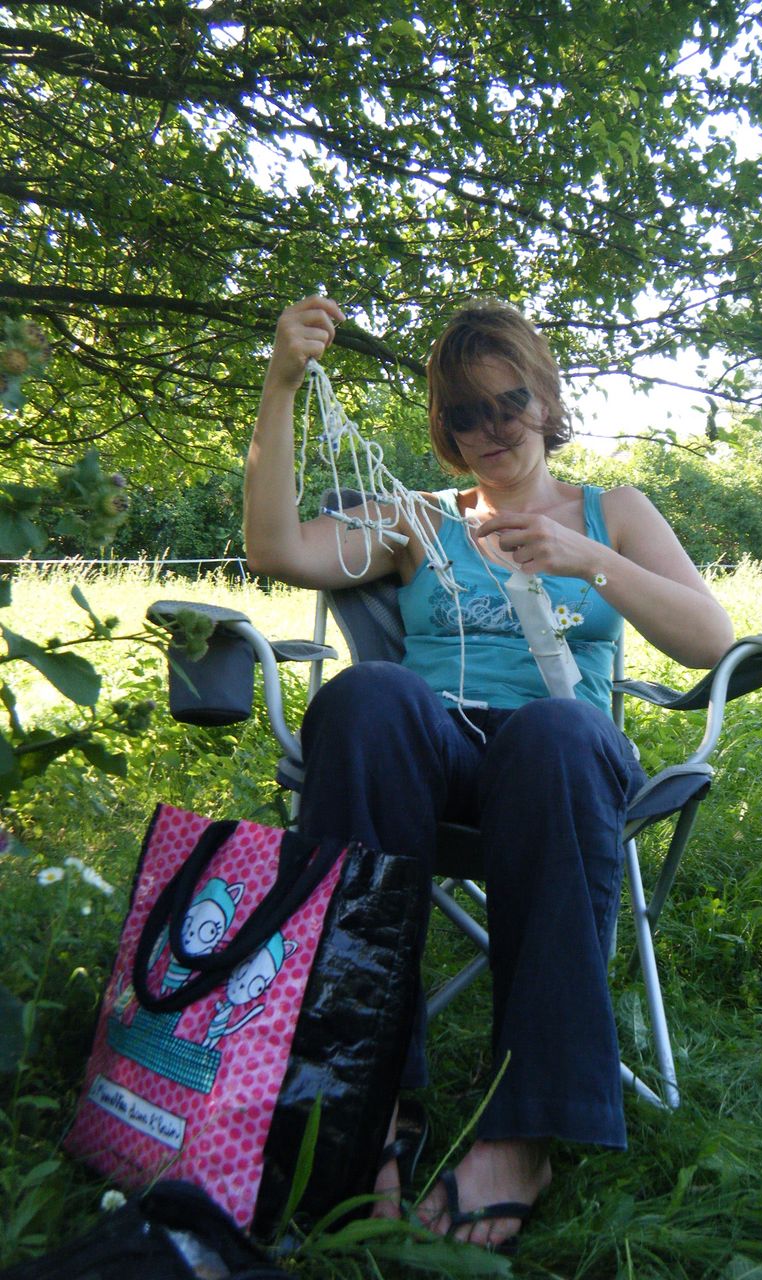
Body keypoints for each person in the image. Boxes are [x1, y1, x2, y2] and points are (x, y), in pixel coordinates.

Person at [243, 294, 734, 1250]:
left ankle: (524, 1132)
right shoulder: (419, 522)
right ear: (446, 429)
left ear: (545, 400)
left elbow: (712, 640)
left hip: (560, 758)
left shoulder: (615, 513)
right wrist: (283, 384)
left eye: (508, 402)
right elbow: (277, 550)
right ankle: (364, 1097)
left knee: (556, 731)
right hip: (433, 751)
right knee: (366, 696)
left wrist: (586, 557)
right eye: (466, 413)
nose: (492, 429)